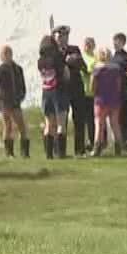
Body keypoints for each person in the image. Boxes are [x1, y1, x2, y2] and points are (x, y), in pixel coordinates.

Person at [56, 25, 91, 156]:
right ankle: (61, 151)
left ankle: (80, 149)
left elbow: (84, 67)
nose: (63, 39)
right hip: (62, 89)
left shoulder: (74, 49)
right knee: (61, 121)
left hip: (76, 88)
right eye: (60, 36)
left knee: (79, 119)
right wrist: (64, 62)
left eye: (65, 36)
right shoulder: (54, 52)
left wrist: (75, 60)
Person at [0, 44, 30, 158]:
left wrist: (21, 96)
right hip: (5, 104)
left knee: (22, 126)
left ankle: (25, 153)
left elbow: (22, 85)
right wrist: (5, 100)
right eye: (4, 54)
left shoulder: (18, 69)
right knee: (8, 126)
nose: (7, 56)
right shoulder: (0, 70)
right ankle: (9, 153)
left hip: (16, 102)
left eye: (8, 53)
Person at [36, 34, 68, 160]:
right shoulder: (58, 57)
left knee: (48, 124)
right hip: (59, 90)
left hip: (46, 92)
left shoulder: (40, 61)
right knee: (61, 124)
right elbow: (65, 73)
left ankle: (49, 154)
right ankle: (61, 153)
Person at [92, 47, 125, 156]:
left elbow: (93, 84)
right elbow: (119, 84)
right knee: (115, 124)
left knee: (99, 124)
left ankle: (97, 148)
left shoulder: (97, 69)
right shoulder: (116, 69)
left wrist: (94, 92)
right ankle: (118, 148)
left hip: (101, 99)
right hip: (114, 99)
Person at [111, 32, 127, 149]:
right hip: (115, 91)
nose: (115, 44)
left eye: (118, 41)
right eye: (114, 41)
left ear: (123, 42)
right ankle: (121, 141)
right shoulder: (112, 58)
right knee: (119, 116)